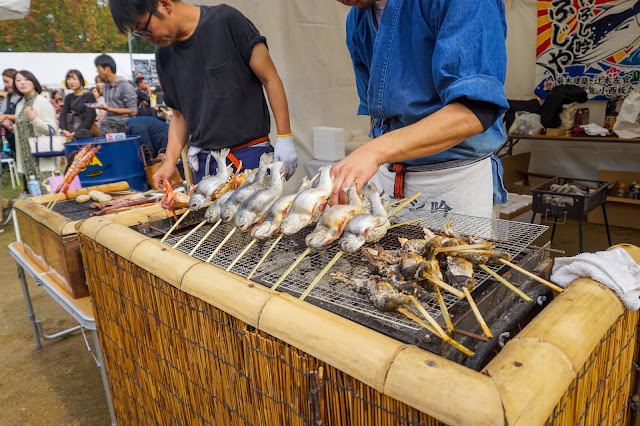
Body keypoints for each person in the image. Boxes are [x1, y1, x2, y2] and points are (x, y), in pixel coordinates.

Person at [329, 0, 509, 218]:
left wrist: (374, 152)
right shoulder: (357, 18)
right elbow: (377, 114)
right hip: (388, 180)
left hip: (456, 179)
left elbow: (474, 111)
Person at [108, 0, 297, 188]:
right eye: (140, 34)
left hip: (249, 159)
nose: (147, 38)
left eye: (145, 29)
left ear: (164, 5)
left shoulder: (226, 21)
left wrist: (285, 137)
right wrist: (169, 162)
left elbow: (270, 79)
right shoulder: (163, 55)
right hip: (205, 166)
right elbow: (179, 116)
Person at [12, 70, 60, 192]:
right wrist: (12, 128)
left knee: (48, 193)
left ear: (34, 82)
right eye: (18, 80)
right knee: (35, 194)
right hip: (27, 157)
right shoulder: (20, 104)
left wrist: (34, 119)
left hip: (42, 156)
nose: (22, 83)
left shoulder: (41, 102)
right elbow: (25, 130)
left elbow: (52, 130)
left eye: (26, 79)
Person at [91, 54, 137, 135]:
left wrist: (109, 109)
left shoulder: (125, 86)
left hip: (124, 126)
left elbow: (133, 111)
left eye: (98, 68)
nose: (97, 71)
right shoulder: (105, 86)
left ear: (107, 68)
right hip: (109, 125)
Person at [59, 69, 97, 140]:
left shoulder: (89, 95)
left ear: (81, 80)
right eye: (68, 79)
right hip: (70, 131)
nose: (71, 82)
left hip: (83, 132)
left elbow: (89, 117)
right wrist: (64, 130)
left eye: (74, 79)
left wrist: (76, 133)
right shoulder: (68, 97)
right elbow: (63, 114)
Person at [0, 68, 21, 156]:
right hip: (11, 138)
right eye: (4, 82)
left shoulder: (24, 97)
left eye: (7, 81)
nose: (6, 85)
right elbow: (2, 113)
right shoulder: (8, 97)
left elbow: (24, 116)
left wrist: (6, 117)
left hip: (23, 136)